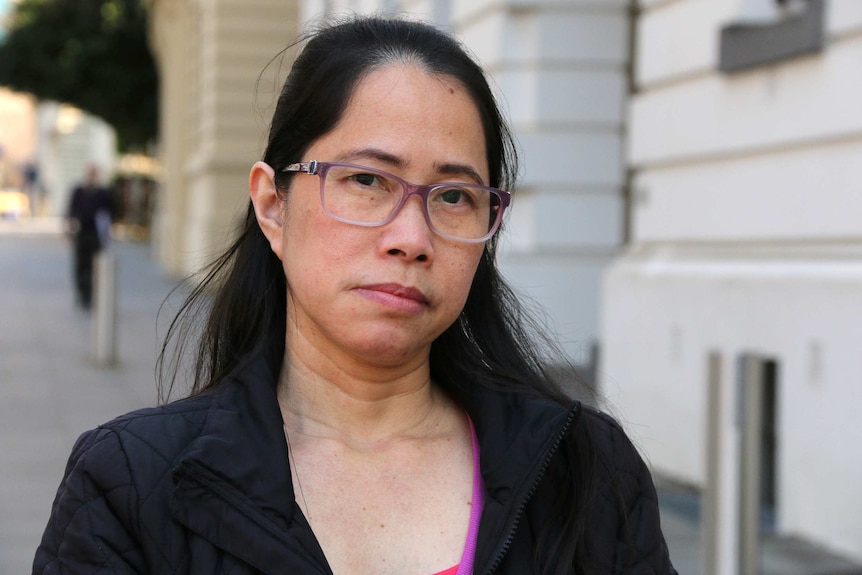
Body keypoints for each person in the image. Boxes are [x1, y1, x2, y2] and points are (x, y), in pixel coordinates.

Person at [33, 16, 677, 575]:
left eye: (454, 196)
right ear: (272, 204)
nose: (411, 237)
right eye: (367, 180)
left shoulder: (584, 475)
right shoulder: (129, 487)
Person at [65, 164, 112, 309]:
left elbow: (109, 214)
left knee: (95, 266)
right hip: (82, 233)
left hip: (96, 234)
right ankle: (82, 293)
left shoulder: (102, 193)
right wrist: (69, 229)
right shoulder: (78, 191)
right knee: (80, 265)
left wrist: (106, 234)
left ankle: (92, 294)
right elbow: (71, 211)